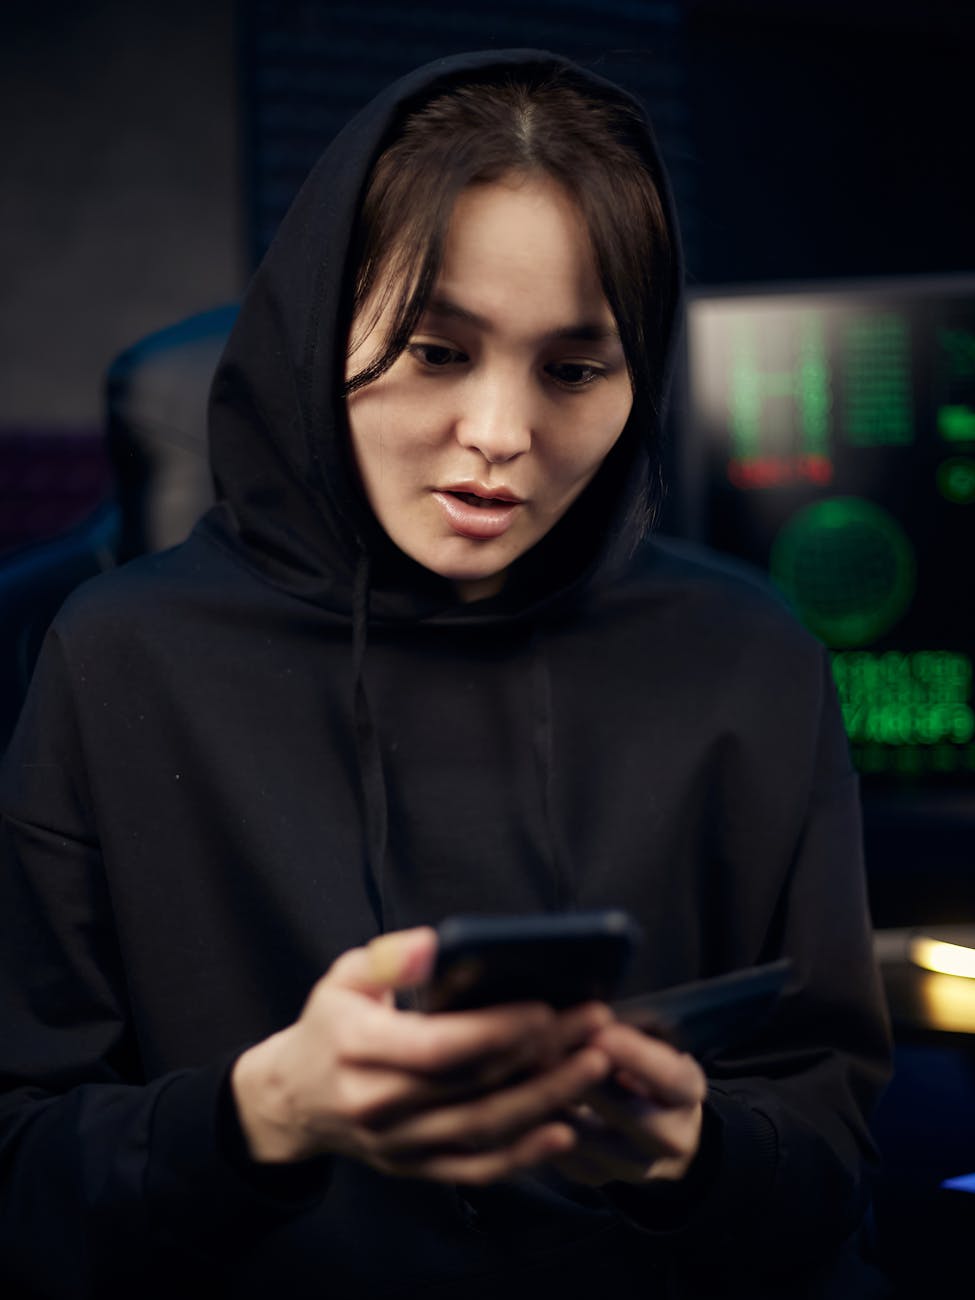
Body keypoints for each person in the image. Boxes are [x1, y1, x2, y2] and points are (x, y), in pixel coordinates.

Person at [0, 49, 892, 1299]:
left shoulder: (748, 659)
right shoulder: (114, 657)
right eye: (433, 350)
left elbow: (831, 1164)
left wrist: (691, 1152)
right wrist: (262, 1115)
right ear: (326, 329)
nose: (502, 436)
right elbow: (24, 1177)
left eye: (575, 371)